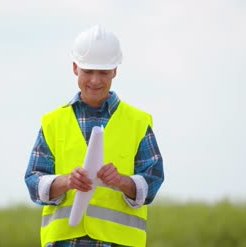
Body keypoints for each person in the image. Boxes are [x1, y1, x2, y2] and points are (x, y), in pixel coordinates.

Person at [25, 25, 164, 247]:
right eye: (88, 71)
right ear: (75, 68)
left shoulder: (138, 123)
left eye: (103, 72)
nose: (95, 80)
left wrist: (120, 181)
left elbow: (153, 181)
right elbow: (33, 181)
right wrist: (67, 182)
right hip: (64, 242)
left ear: (115, 71)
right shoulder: (52, 123)